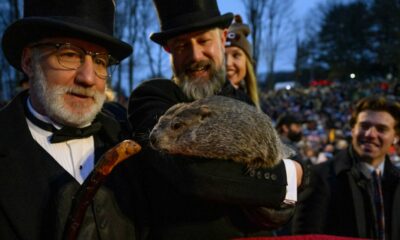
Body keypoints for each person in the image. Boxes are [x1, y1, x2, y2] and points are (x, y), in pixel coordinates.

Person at [125, 0, 303, 239]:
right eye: (181, 45)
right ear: (168, 50)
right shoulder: (154, 97)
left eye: (203, 40)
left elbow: (288, 175)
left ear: (222, 38)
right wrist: (291, 177)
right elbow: (195, 176)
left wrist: (289, 179)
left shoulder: (242, 101)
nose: (195, 55)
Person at [0, 0, 137, 239]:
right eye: (70, 54)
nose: (88, 78)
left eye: (100, 62)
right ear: (29, 62)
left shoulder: (130, 137)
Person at [292, 96, 400, 239]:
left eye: (381, 129)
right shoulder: (319, 176)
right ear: (353, 129)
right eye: (364, 126)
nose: (370, 134)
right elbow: (306, 236)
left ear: (396, 137)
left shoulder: (397, 181)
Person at [225, 14, 261, 110]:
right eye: (223, 56)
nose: (228, 63)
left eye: (236, 55)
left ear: (247, 62)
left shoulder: (250, 102)